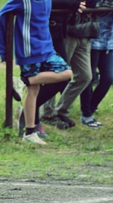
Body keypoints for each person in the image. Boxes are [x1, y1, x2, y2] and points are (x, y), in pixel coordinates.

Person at [0, 0, 78, 145]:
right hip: (29, 51)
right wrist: (4, 50)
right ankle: (29, 132)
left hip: (47, 49)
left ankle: (22, 81)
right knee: (33, 90)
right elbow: (1, 15)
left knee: (66, 73)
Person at [42, 1, 97, 130]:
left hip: (86, 31)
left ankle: (61, 110)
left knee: (85, 76)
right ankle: (47, 113)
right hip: (65, 30)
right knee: (57, 73)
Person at [80, 0, 113, 129]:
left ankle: (91, 107)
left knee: (108, 78)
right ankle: (86, 114)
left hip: (109, 40)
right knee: (88, 78)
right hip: (91, 37)